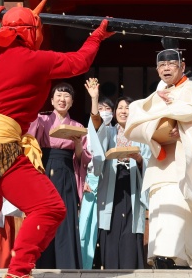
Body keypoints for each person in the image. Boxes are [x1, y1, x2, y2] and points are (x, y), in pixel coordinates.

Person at [0, 1, 113, 278]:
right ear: (32, 32)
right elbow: (80, 61)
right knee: (49, 208)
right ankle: (18, 272)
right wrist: (96, 36)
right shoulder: (38, 60)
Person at [125, 42, 192, 270]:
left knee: (180, 222)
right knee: (161, 219)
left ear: (182, 66)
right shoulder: (157, 96)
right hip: (161, 168)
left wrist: (185, 129)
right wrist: (155, 131)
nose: (166, 68)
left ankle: (181, 263)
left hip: (185, 168)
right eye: (161, 64)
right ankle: (162, 260)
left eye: (171, 63)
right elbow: (137, 122)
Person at [28, 82, 91, 269]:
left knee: (66, 216)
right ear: (52, 100)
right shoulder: (41, 120)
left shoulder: (77, 125)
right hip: (46, 167)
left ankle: (67, 263)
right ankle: (43, 262)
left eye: (67, 96)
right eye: (59, 96)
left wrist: (78, 144)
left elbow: (82, 157)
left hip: (67, 171)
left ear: (72, 102)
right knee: (45, 216)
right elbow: (30, 140)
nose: (62, 99)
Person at [88, 91, 151, 269]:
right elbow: (97, 138)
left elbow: (147, 159)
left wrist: (138, 159)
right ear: (115, 112)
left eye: (128, 108)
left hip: (132, 181)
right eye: (120, 108)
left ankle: (131, 267)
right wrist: (94, 99)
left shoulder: (140, 134)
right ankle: (110, 268)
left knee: (131, 227)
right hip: (112, 183)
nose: (124, 111)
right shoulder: (108, 131)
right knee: (111, 225)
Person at [79, 79, 114, 269]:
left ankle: (98, 263)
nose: (104, 110)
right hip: (89, 178)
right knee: (85, 224)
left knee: (102, 225)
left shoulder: (115, 132)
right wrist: (82, 179)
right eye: (100, 107)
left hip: (107, 180)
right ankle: (83, 264)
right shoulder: (86, 129)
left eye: (108, 108)